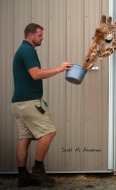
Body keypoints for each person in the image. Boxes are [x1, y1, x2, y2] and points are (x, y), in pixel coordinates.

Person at [11, 23, 73, 187]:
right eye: (40, 35)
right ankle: (38, 170)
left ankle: (23, 176)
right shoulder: (27, 50)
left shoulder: (22, 50)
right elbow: (36, 74)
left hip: (18, 102)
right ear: (30, 35)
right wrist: (59, 69)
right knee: (49, 132)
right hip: (29, 101)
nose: (42, 38)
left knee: (25, 138)